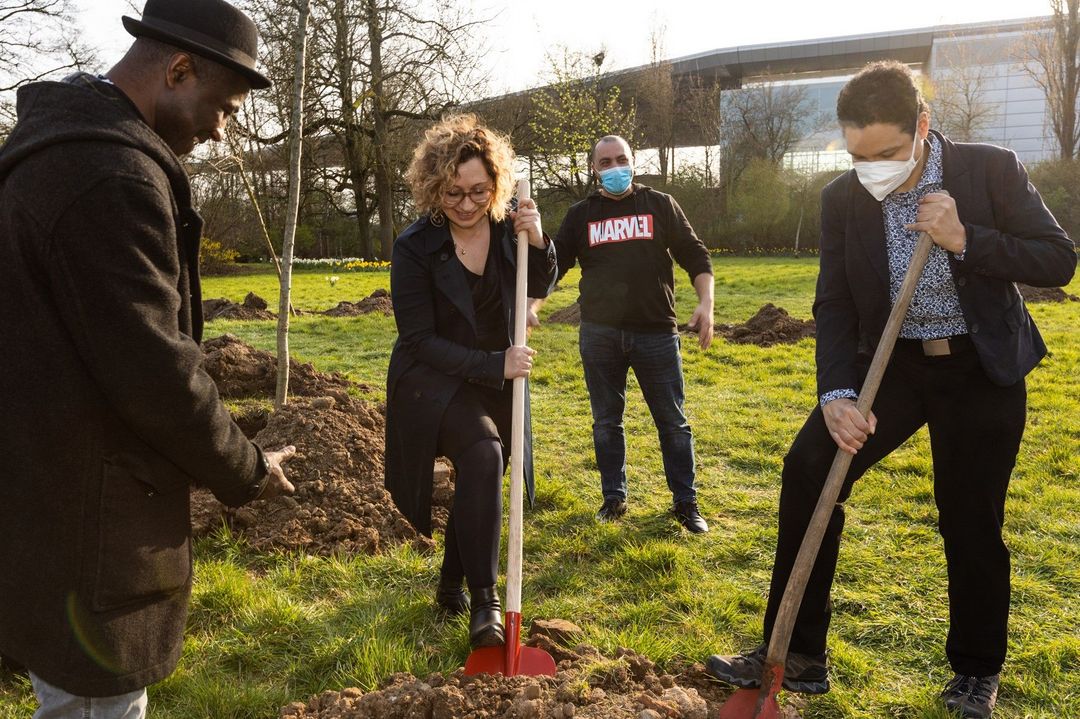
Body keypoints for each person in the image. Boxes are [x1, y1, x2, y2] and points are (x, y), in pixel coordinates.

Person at [705, 61, 1076, 718]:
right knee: (811, 469)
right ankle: (796, 651)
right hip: (892, 366)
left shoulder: (988, 170)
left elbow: (1057, 257)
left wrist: (966, 239)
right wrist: (837, 395)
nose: (870, 166)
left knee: (969, 514)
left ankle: (975, 668)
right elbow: (836, 303)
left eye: (886, 153)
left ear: (923, 128)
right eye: (856, 155)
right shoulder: (841, 199)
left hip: (978, 369)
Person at [0, 1, 297, 716]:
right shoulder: (111, 177)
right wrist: (247, 467)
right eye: (222, 106)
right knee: (95, 705)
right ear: (178, 69)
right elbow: (154, 369)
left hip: (40, 497)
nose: (222, 128)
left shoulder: (50, 148)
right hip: (91, 526)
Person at [384, 114, 557, 649]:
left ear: (496, 185)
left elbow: (542, 279)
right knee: (483, 454)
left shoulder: (508, 228)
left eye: (479, 190)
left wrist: (541, 240)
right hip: (432, 380)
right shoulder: (414, 247)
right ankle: (485, 604)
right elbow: (418, 340)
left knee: (484, 468)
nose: (465, 203)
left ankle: (450, 582)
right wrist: (493, 365)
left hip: (495, 375)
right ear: (434, 186)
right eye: (453, 192)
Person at [531, 135, 714, 533]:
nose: (615, 168)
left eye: (621, 160)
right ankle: (613, 498)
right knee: (606, 422)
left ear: (634, 161)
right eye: (605, 162)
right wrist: (533, 305)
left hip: (656, 333)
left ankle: (686, 503)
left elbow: (695, 254)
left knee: (673, 423)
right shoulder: (581, 215)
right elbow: (553, 266)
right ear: (594, 169)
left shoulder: (660, 205)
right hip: (599, 334)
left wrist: (706, 304)